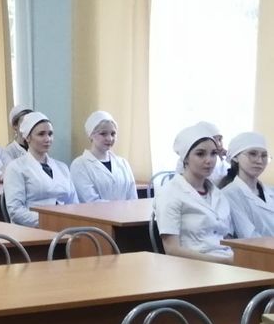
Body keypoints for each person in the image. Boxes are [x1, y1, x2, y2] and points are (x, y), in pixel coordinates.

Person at [156, 123, 236, 263]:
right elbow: (172, 250)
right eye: (200, 154)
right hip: (193, 267)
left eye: (213, 154)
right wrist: (224, 263)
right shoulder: (170, 193)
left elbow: (227, 238)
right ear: (185, 158)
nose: (209, 160)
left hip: (226, 261)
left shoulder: (217, 194)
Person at [3, 113, 77, 227]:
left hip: (64, 228)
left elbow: (74, 204)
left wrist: (69, 221)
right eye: (41, 134)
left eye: (50, 134)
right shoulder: (16, 168)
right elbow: (16, 211)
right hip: (33, 230)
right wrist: (50, 221)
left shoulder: (62, 167)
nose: (47, 139)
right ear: (27, 137)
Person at [69, 111, 138, 202]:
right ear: (91, 135)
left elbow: (133, 198)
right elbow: (90, 201)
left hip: (126, 212)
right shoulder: (79, 165)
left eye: (113, 134)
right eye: (103, 133)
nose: (109, 138)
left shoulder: (123, 163)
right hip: (94, 212)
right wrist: (120, 207)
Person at [220, 133, 273, 238]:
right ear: (235, 157)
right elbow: (249, 236)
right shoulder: (228, 195)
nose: (259, 161)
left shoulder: (271, 191)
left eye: (264, 155)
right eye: (252, 154)